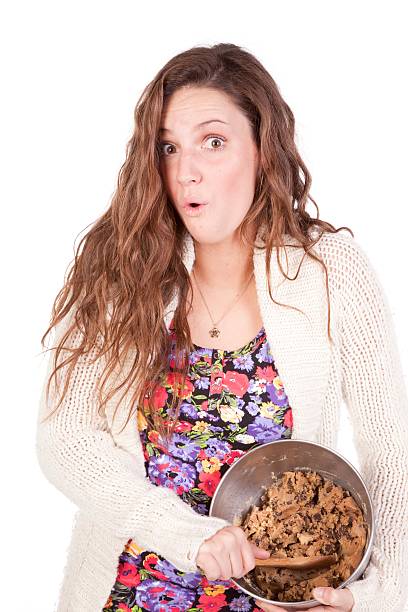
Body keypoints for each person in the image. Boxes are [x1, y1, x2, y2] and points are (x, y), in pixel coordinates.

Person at [36, 42, 408, 612]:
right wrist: (190, 536)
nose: (187, 171)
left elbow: (391, 452)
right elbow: (65, 442)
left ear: (263, 149)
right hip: (124, 599)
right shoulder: (121, 271)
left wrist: (379, 594)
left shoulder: (329, 272)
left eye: (214, 142)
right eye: (169, 147)